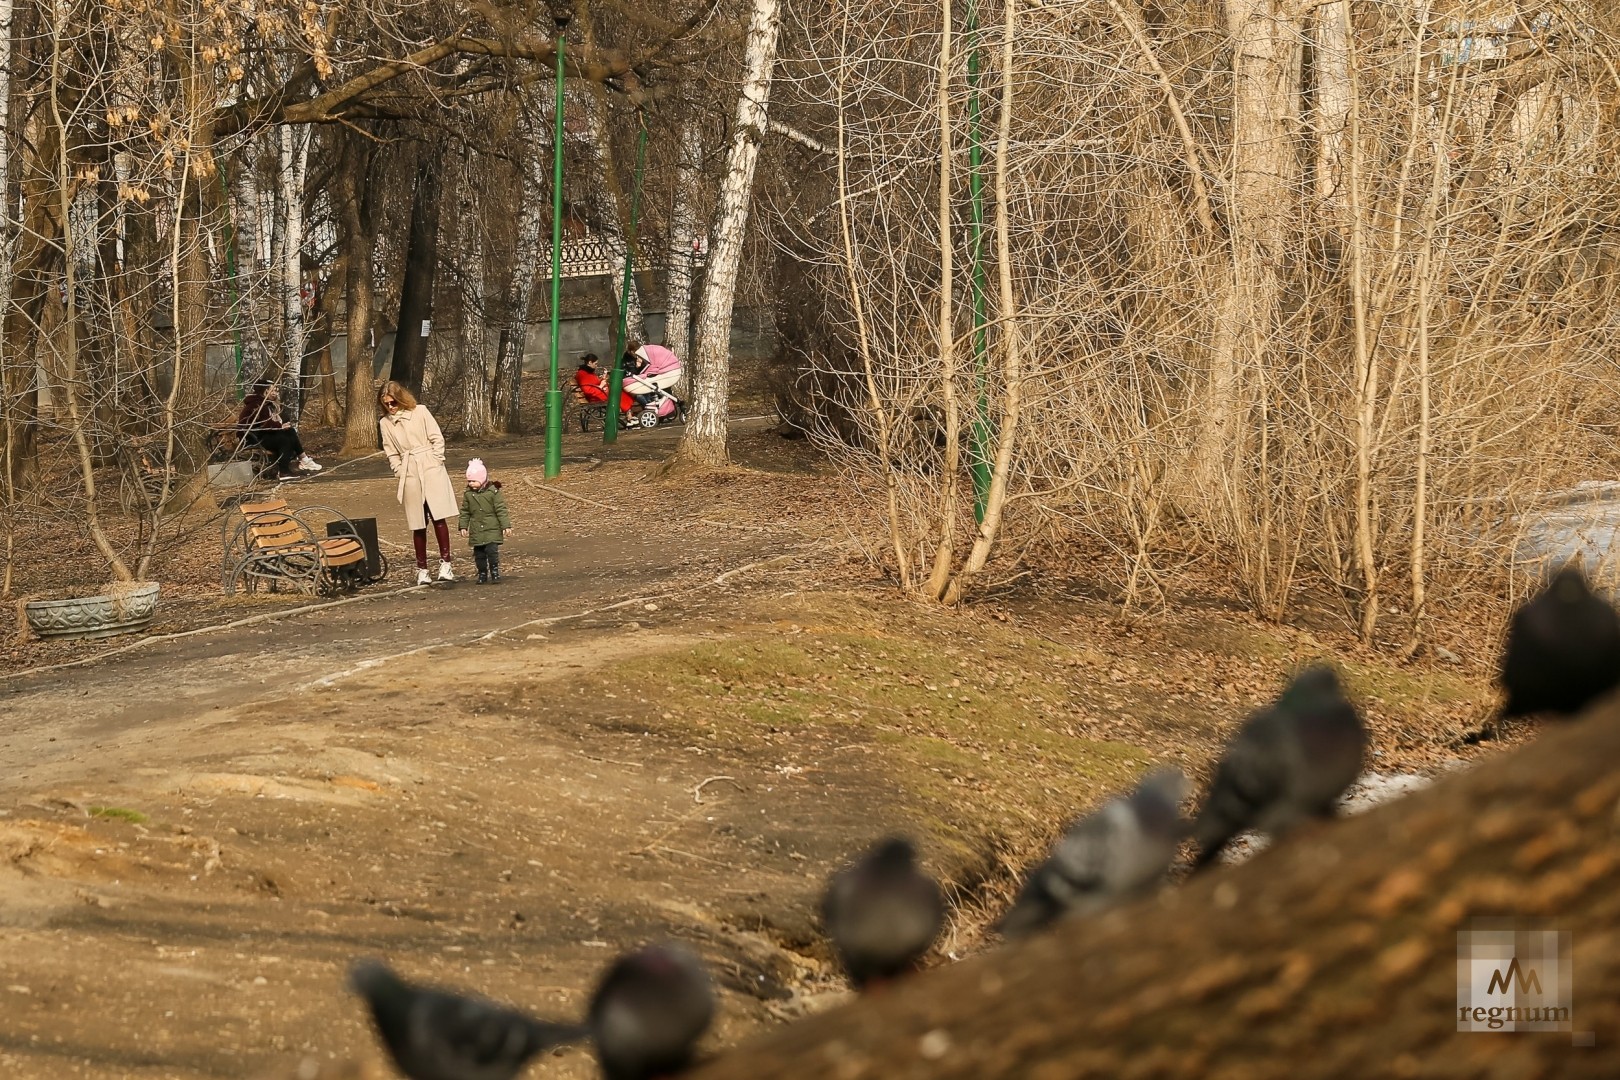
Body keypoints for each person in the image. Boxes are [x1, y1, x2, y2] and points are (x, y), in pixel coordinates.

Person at [377, 380, 459, 585]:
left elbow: (437, 438)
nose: (390, 407)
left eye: (393, 403)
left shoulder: (420, 412)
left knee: (438, 516)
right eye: (386, 404)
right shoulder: (385, 423)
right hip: (409, 470)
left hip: (430, 466)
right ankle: (422, 568)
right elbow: (390, 451)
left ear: (400, 399)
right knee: (417, 522)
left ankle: (446, 563)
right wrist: (398, 469)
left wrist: (436, 460)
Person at [238, 379, 321, 479]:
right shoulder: (257, 405)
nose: (275, 393)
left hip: (262, 434)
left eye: (276, 390)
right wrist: (280, 426)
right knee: (284, 439)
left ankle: (304, 459)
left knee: (290, 431)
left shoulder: (266, 403)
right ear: (264, 391)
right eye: (272, 390)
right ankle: (284, 472)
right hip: (252, 437)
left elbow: (268, 423)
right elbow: (265, 424)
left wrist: (281, 426)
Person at [458, 458, 512, 584]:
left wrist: (506, 526)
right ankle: (482, 573)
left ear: (482, 479)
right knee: (479, 555)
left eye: (474, 481)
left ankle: (494, 571)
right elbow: (465, 511)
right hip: (477, 529)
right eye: (469, 481)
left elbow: (501, 509)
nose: (471, 484)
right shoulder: (468, 495)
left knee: (492, 552)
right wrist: (463, 526)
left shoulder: (493, 492)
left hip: (491, 528)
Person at [621, 341, 683, 410]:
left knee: (657, 388)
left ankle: (665, 406)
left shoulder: (641, 356)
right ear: (631, 351)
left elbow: (646, 368)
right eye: (634, 351)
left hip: (643, 377)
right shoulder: (628, 360)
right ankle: (648, 407)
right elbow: (631, 372)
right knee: (640, 393)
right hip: (634, 379)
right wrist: (637, 366)